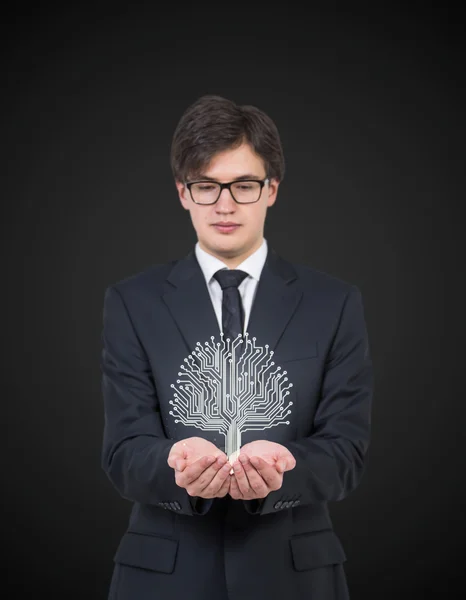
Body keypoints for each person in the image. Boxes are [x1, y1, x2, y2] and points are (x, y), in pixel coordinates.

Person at [100, 94, 373, 600]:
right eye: (207, 186)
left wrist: (284, 468)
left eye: (243, 185)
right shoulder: (131, 301)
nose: (224, 205)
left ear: (272, 190)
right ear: (183, 192)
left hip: (295, 575)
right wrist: (175, 464)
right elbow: (122, 451)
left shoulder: (333, 302)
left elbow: (346, 450)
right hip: (164, 575)